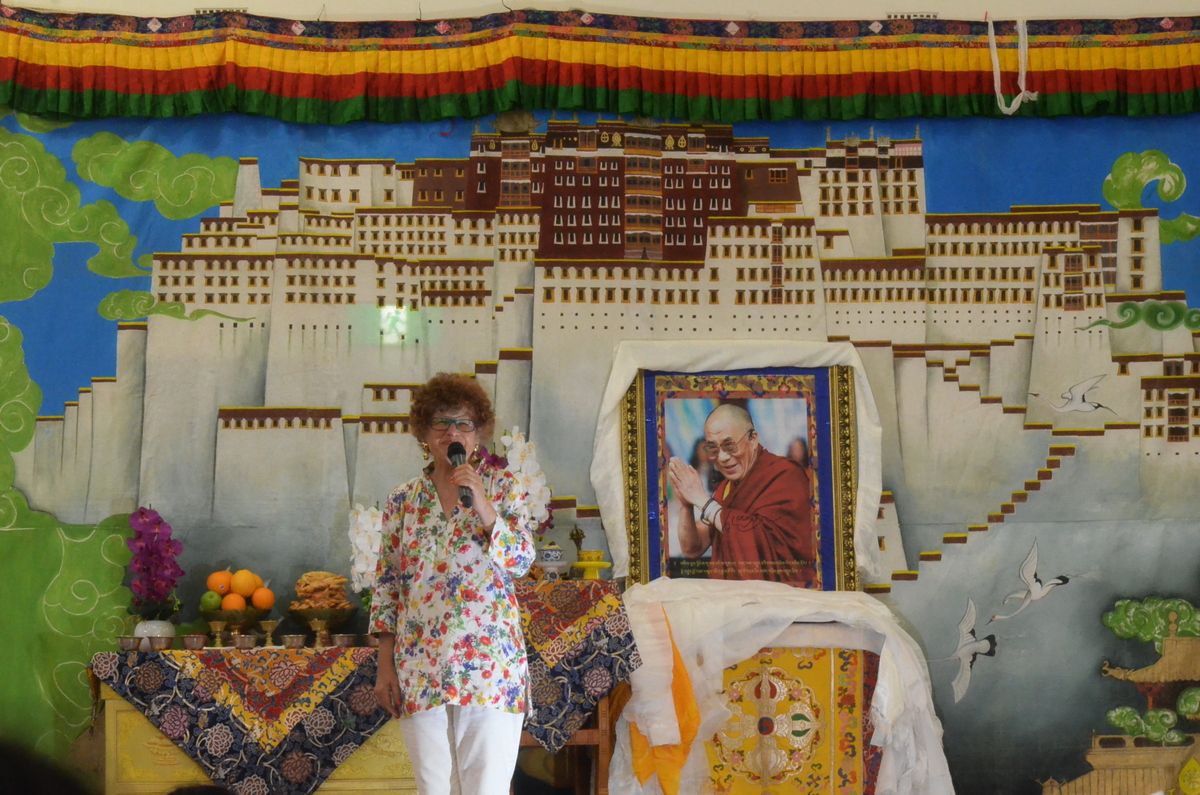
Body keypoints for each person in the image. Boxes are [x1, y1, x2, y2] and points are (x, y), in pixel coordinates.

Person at [370, 373, 535, 795]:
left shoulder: (502, 488)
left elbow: (520, 561)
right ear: (424, 433)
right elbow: (388, 585)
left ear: (478, 434)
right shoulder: (402, 499)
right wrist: (384, 665)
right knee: (433, 788)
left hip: (490, 666)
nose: (452, 433)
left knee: (486, 788)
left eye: (463, 424)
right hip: (419, 665)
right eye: (441, 423)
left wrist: (481, 503)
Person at [667, 403, 816, 586]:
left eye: (729, 446)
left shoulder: (785, 474)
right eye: (713, 448)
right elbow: (692, 548)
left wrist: (702, 500)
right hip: (733, 601)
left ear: (753, 439)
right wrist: (686, 505)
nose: (722, 457)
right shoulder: (727, 488)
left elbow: (758, 539)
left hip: (782, 600)